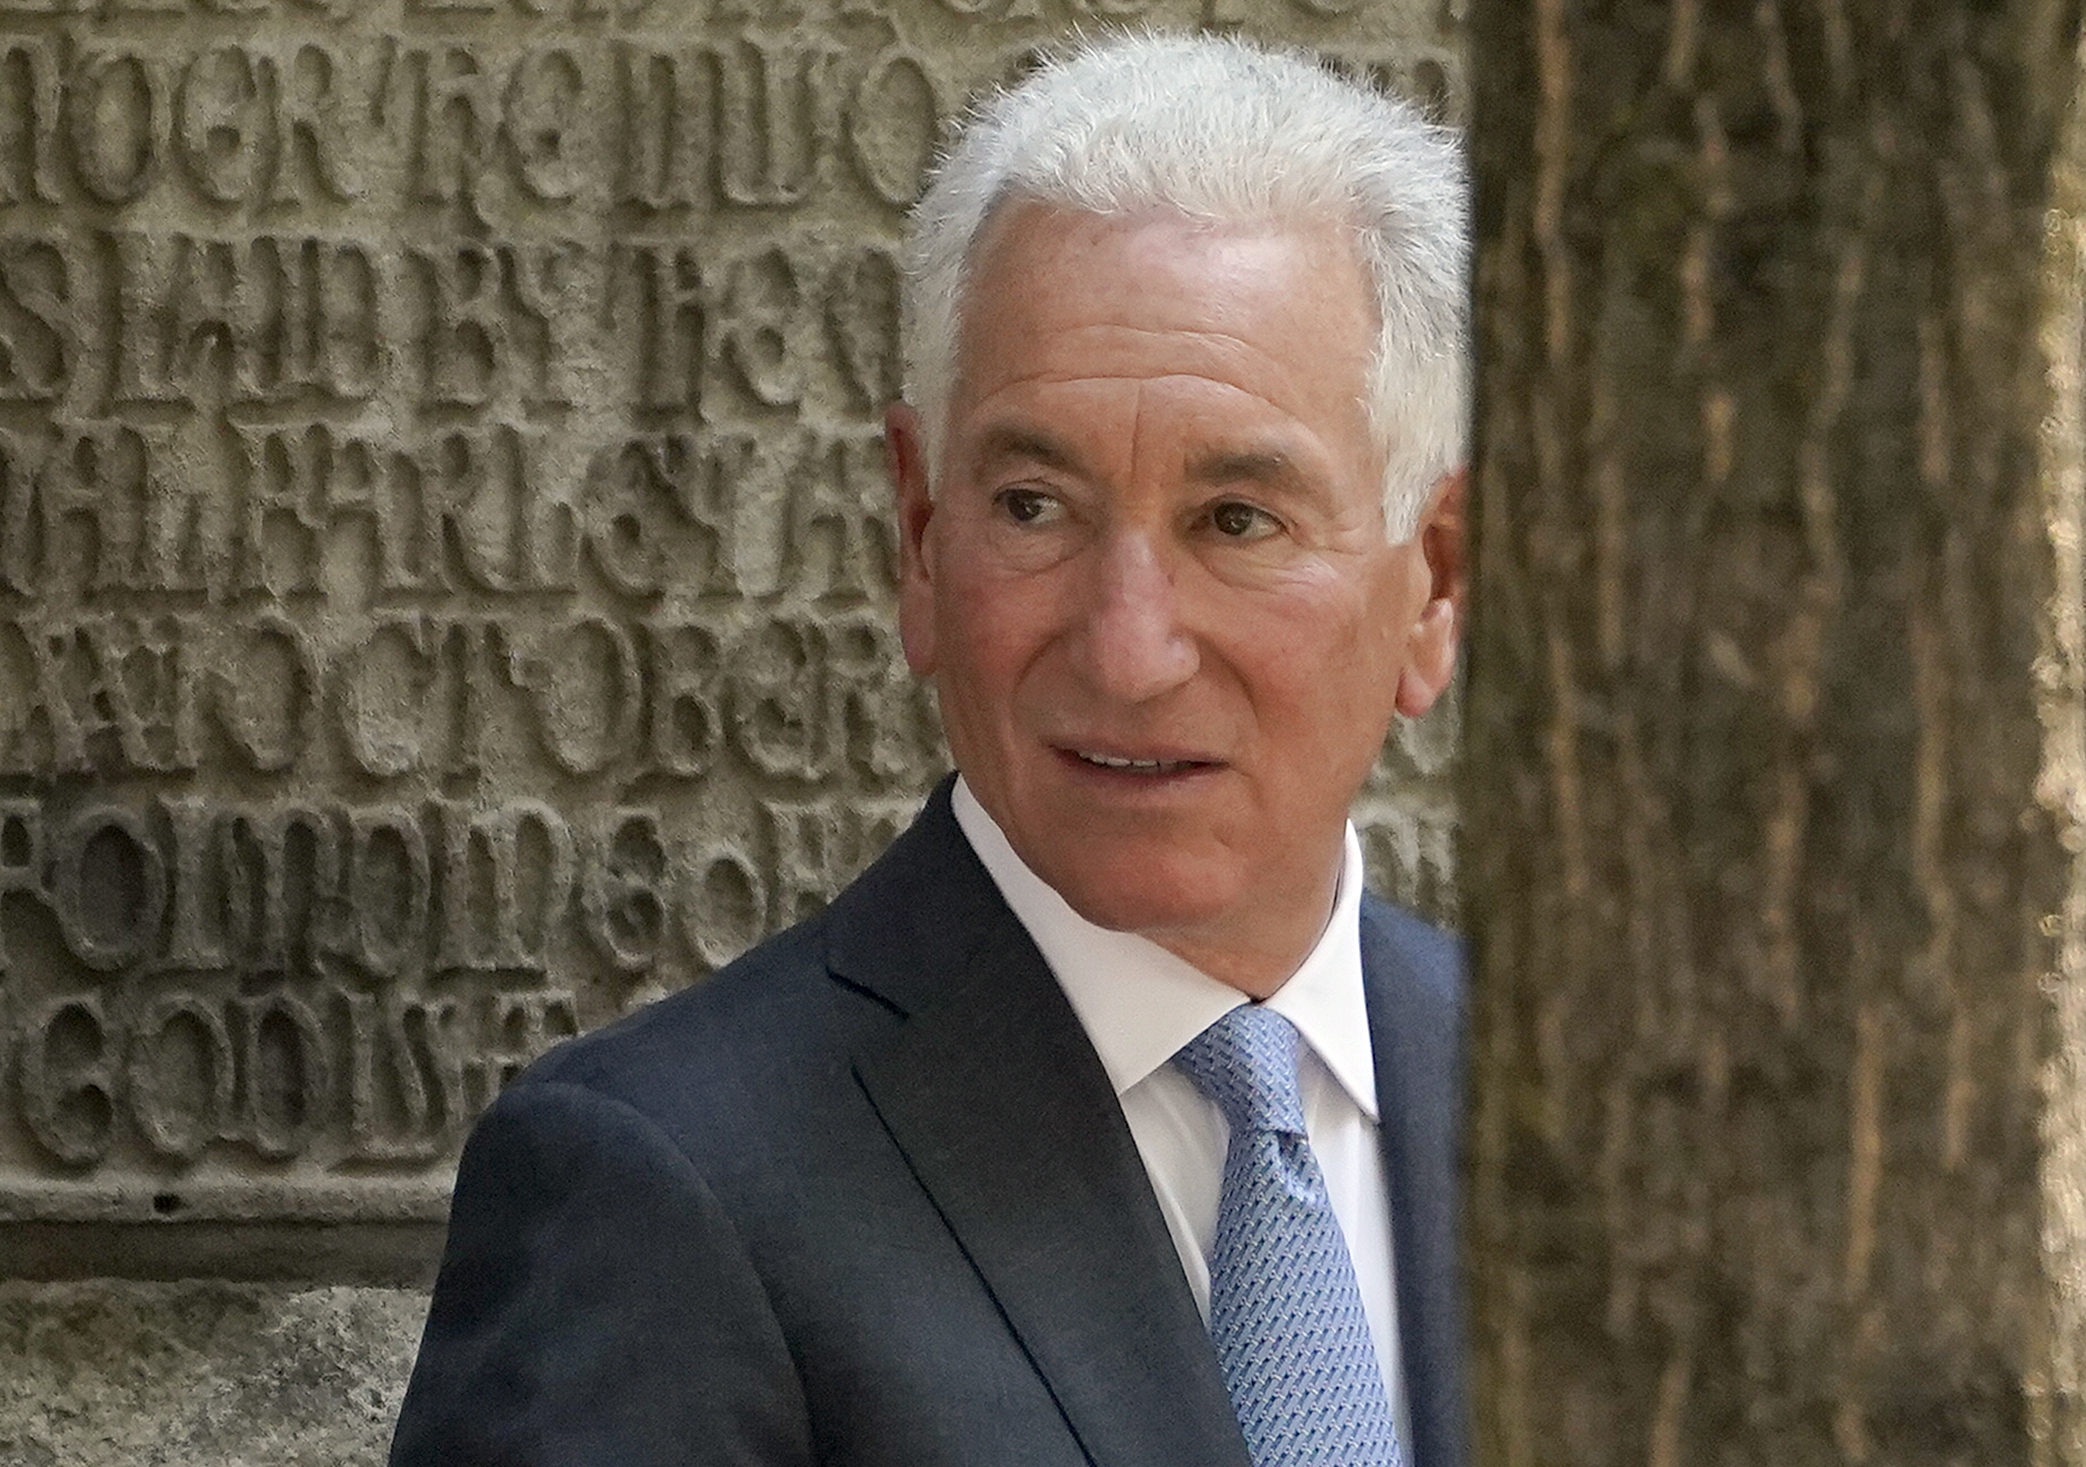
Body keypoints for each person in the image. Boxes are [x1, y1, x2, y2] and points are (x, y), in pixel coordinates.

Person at [388, 31, 1468, 1467]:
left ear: (1435, 584)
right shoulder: (659, 1189)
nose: (1127, 649)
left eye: (1237, 522)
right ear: (918, 535)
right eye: (1034, 506)